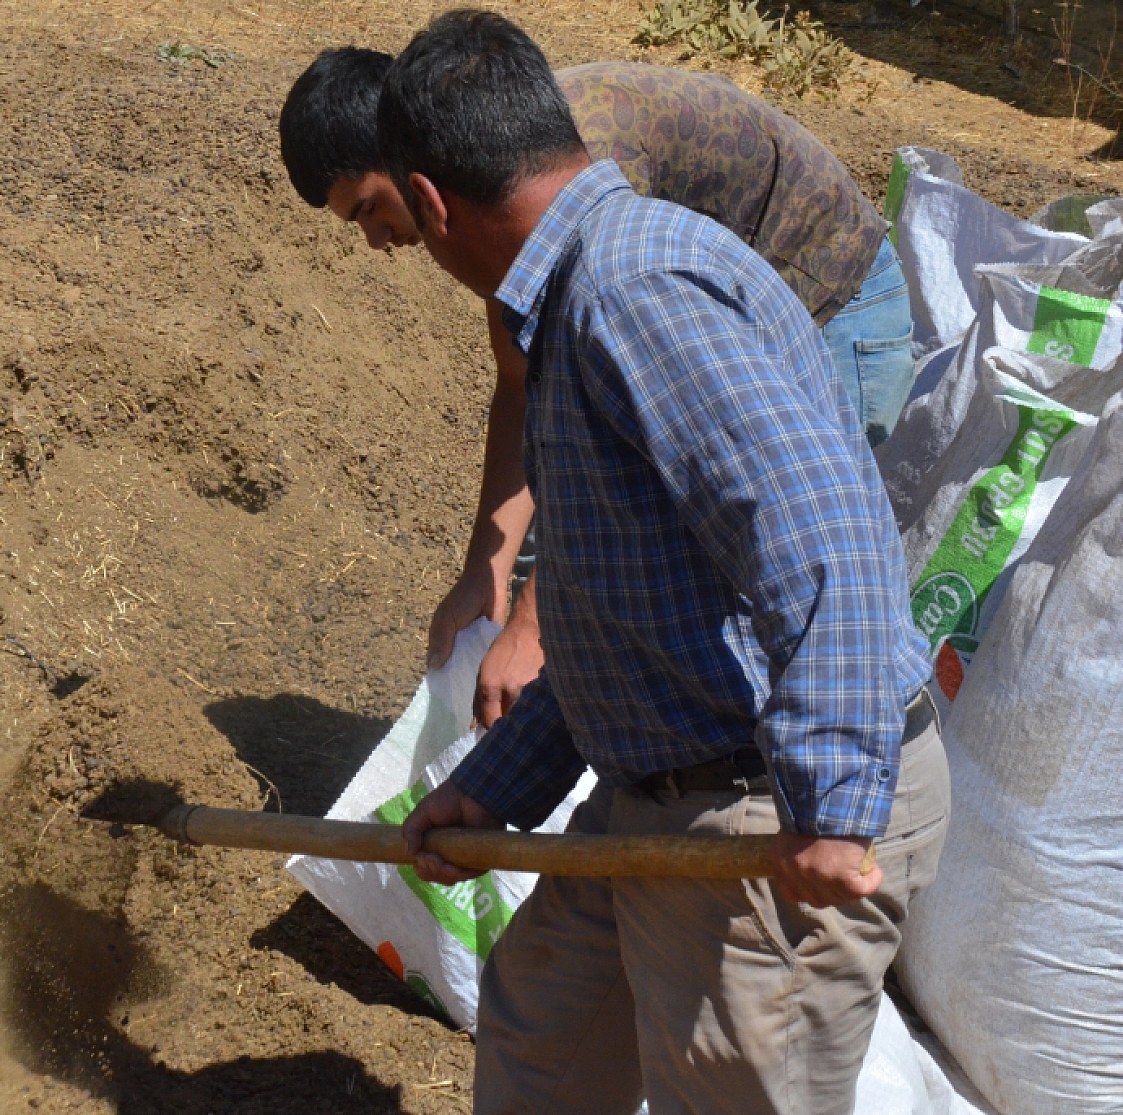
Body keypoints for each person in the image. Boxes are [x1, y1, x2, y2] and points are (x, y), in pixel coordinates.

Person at [377, 12, 948, 1114]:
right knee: (543, 1034)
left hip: (760, 807)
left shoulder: (632, 291)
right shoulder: (581, 293)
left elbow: (819, 530)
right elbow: (618, 618)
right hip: (663, 787)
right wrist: (492, 790)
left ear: (434, 202)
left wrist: (828, 799)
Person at [279, 48, 917, 728]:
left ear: (406, 164)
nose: (376, 239)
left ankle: (810, 792)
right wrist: (487, 574)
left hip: (829, 298)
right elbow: (521, 384)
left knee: (770, 588)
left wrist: (538, 621)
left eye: (370, 208)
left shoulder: (563, 173)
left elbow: (636, 443)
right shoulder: (485, 190)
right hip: (725, 307)